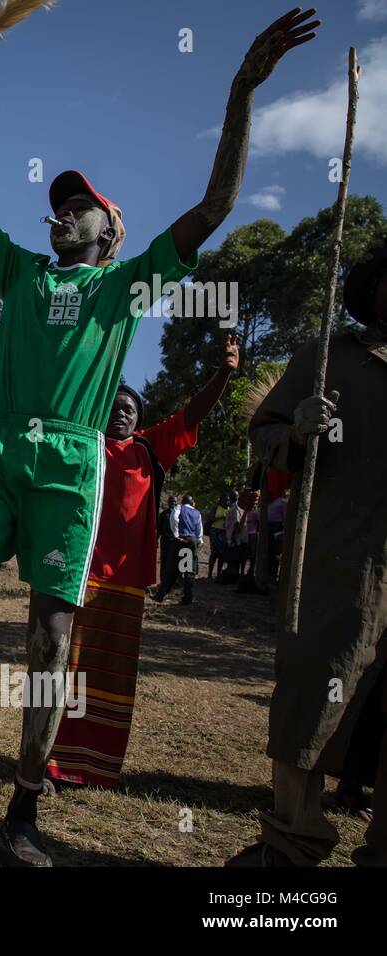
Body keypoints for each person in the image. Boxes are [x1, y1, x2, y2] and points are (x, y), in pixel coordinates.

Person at [0, 10, 316, 866]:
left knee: (51, 639)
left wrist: (240, 91)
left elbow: (218, 204)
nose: (61, 215)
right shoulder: (18, 270)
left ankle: (22, 809)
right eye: (57, 206)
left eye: (78, 207)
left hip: (72, 461)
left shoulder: (129, 286)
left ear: (111, 231)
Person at [229, 242, 387, 867]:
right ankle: (292, 843)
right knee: (310, 703)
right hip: (334, 567)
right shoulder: (330, 359)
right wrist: (296, 429)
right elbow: (262, 435)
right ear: (374, 286)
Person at [46, 337, 238, 789]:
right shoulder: (84, 444)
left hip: (128, 583)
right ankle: (49, 762)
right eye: (114, 405)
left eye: (130, 408)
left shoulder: (151, 449)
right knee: (64, 672)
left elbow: (193, 414)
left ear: (141, 418)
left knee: (109, 674)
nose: (121, 412)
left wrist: (224, 374)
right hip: (77, 576)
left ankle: (96, 766)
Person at [176, 494, 204, 605]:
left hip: (183, 539)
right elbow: (199, 528)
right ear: (192, 502)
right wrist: (200, 540)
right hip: (193, 540)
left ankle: (185, 594)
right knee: (190, 568)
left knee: (182, 566)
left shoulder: (180, 508)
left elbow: (174, 519)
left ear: (183, 501)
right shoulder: (197, 512)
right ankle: (188, 594)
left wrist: (175, 534)